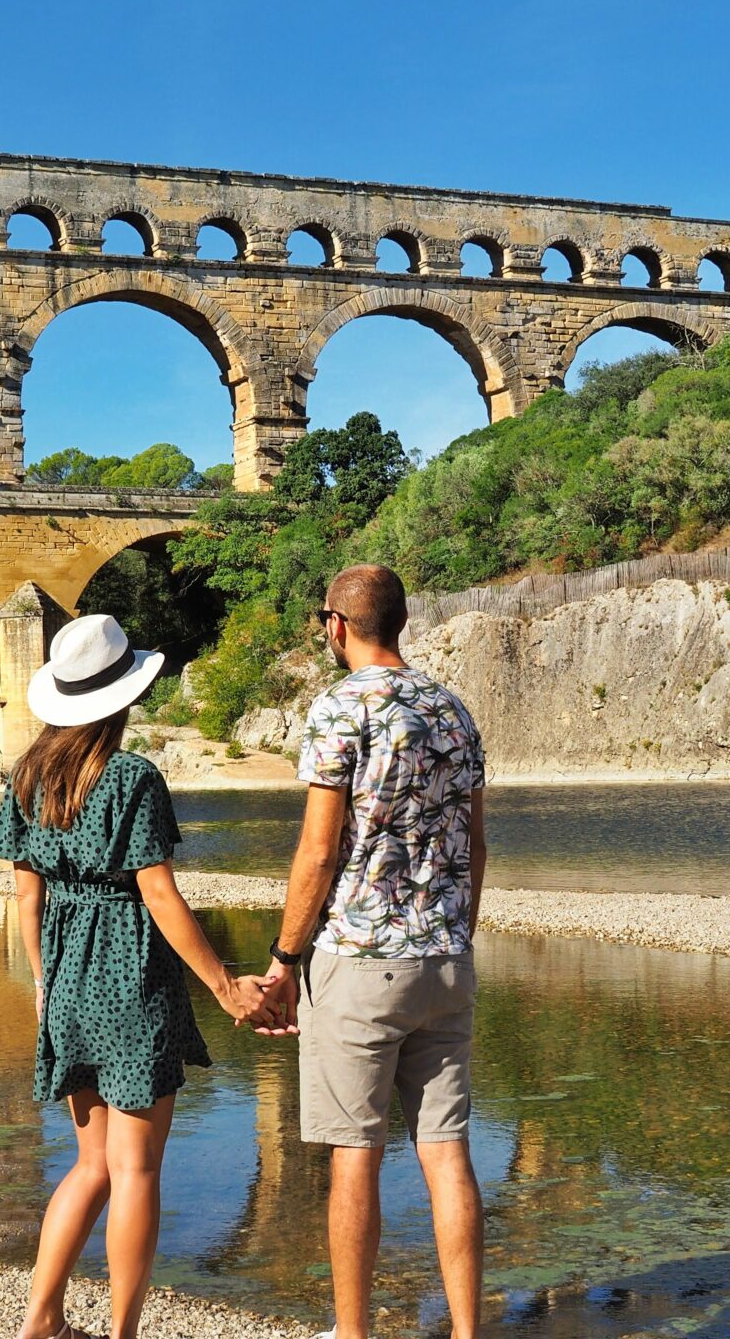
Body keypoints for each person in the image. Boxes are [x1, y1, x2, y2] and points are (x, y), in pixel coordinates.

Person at [0, 613, 277, 1339]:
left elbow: (26, 897)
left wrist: (41, 983)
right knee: (137, 1172)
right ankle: (122, 1333)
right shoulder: (132, 778)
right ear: (124, 696)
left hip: (63, 980)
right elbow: (156, 893)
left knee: (90, 1166)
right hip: (129, 973)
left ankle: (40, 1322)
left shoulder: (25, 777)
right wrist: (224, 986)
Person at [258, 564, 489, 1339]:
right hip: (445, 958)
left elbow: (319, 853)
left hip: (359, 961)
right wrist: (457, 933)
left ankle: (352, 1334)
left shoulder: (338, 708)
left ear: (337, 624)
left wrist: (284, 960)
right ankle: (465, 1332)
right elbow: (476, 845)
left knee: (354, 1154)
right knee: (446, 1149)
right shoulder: (452, 709)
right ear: (402, 620)